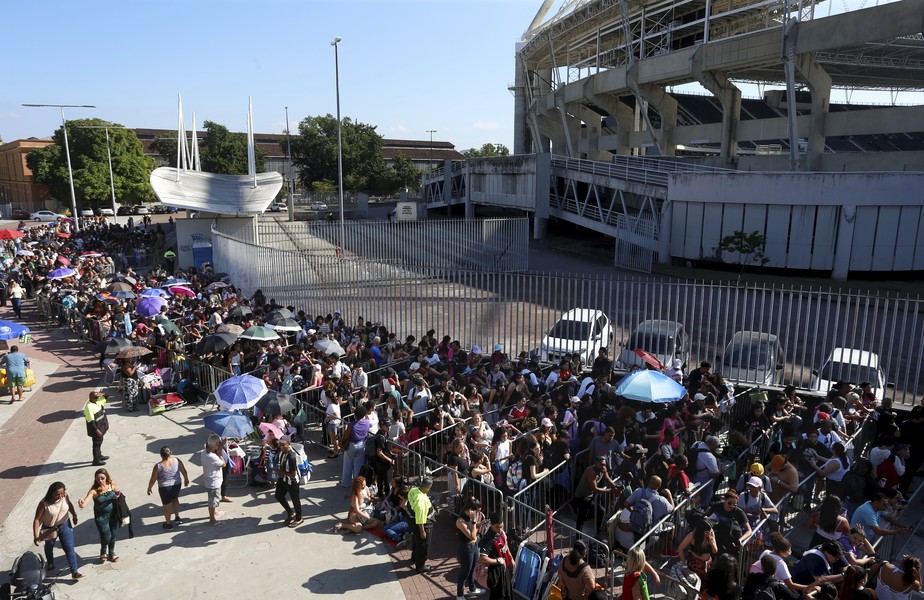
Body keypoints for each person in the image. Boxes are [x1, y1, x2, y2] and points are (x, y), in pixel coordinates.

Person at [32, 482, 82, 580]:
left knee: (69, 548)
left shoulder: (64, 496)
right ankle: (50, 563)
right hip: (49, 529)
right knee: (49, 547)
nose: (60, 496)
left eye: (61, 493)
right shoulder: (43, 504)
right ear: (51, 493)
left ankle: (74, 572)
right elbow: (37, 520)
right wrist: (36, 536)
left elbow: (69, 504)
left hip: (65, 525)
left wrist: (74, 515)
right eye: (57, 494)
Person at [77, 468, 120, 564]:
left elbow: (117, 492)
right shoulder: (94, 491)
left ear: (107, 477)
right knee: (106, 536)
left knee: (113, 534)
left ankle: (112, 553)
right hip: (101, 517)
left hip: (113, 514)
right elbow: (84, 503)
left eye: (102, 478)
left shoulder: (111, 484)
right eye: (97, 479)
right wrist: (81, 503)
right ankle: (103, 550)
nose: (100, 481)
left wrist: (117, 495)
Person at [573, 454, 619, 537]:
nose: (603, 466)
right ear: (595, 463)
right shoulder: (590, 471)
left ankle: (582, 535)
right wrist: (610, 490)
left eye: (604, 464)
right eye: (601, 464)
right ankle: (596, 534)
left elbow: (608, 479)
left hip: (590, 496)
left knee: (583, 516)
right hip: (581, 497)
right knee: (601, 511)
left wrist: (615, 486)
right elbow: (595, 489)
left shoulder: (603, 468)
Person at [146, 446, 189, 530]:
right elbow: (183, 470)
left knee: (166, 506)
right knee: (175, 499)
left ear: (161, 455)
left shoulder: (158, 466)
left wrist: (149, 488)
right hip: (176, 485)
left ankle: (168, 524)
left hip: (165, 488)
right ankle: (177, 517)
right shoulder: (177, 460)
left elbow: (153, 479)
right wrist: (186, 479)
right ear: (170, 453)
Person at [455, 496, 486, 599]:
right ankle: (459, 595)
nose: (478, 514)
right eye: (476, 512)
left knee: (472, 569)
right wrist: (474, 522)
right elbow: (472, 535)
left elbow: (473, 530)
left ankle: (472, 588)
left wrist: (479, 524)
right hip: (465, 548)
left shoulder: (471, 517)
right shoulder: (460, 521)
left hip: (474, 545)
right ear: (470, 510)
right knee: (465, 571)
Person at [479, 511, 514, 600]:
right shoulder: (488, 540)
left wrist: (511, 559)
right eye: (497, 527)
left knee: (508, 593)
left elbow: (506, 547)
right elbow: (482, 558)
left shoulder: (502, 533)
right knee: (498, 595)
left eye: (501, 526)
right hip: (496, 572)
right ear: (491, 525)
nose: (499, 529)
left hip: (505, 569)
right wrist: (497, 561)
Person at [274, 436, 303, 528]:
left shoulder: (292, 457)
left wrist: (281, 472)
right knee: (278, 495)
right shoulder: (281, 452)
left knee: (295, 499)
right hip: (283, 479)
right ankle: (291, 513)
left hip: (292, 481)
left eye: (283, 445)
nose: (281, 446)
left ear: (288, 444)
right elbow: (280, 463)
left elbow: (293, 474)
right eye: (280, 444)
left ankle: (299, 518)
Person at [409, 476, 434, 574]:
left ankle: (414, 557)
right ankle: (420, 566)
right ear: (428, 487)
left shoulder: (413, 490)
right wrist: (423, 531)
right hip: (423, 525)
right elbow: (420, 519)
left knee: (415, 540)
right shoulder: (421, 502)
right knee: (423, 545)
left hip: (412, 521)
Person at [201, 434, 226, 526]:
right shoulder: (213, 457)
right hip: (214, 482)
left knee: (212, 499)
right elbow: (223, 464)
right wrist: (221, 457)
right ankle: (212, 519)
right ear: (215, 444)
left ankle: (215, 512)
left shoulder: (204, 453)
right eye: (218, 444)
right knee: (213, 501)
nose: (219, 445)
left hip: (208, 480)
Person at [83, 390, 109, 466]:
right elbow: (90, 421)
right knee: (96, 444)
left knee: (99, 442)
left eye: (97, 397)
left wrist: (101, 393)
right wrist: (97, 431)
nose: (97, 398)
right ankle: (96, 460)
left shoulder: (98, 401)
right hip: (96, 429)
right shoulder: (89, 407)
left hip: (101, 426)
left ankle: (99, 456)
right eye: (95, 397)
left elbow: (107, 395)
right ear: (90, 398)